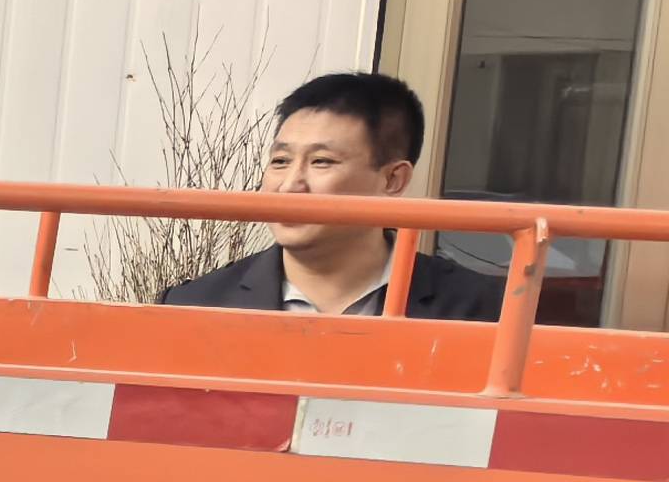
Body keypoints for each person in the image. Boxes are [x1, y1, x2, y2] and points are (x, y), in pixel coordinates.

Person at [158, 71, 503, 319]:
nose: (290, 184)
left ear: (393, 180)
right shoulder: (195, 305)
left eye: (321, 161)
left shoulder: (482, 310)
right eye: (280, 161)